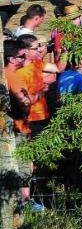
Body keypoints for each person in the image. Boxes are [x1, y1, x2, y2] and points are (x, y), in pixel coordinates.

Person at [4, 39, 43, 212]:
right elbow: (24, 101)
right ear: (11, 59)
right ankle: (25, 205)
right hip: (19, 127)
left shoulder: (3, 73)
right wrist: (38, 95)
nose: (23, 59)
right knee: (25, 167)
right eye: (20, 56)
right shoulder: (13, 77)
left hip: (11, 127)